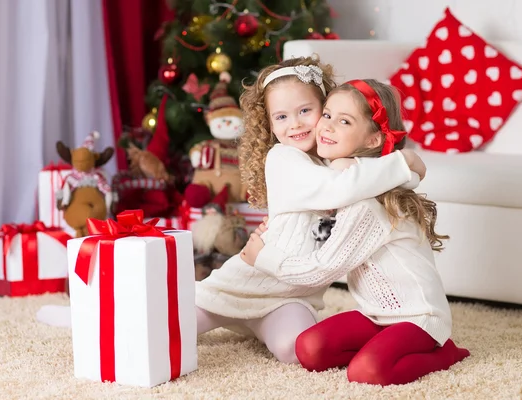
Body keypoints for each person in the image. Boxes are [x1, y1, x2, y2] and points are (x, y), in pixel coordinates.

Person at [194, 58, 427, 365]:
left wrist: (401, 176)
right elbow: (339, 189)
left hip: (292, 295)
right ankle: (197, 303)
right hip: (242, 286)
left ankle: (258, 327)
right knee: (169, 326)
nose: (296, 124)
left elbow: (371, 184)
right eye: (281, 117)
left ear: (325, 107)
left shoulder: (334, 162)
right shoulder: (283, 158)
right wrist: (404, 162)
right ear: (270, 124)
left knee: (296, 350)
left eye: (306, 111)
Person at [240, 79, 470, 384]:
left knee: (366, 372)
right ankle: (382, 346)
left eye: (344, 121)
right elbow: (318, 227)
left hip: (419, 317)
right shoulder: (347, 182)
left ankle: (445, 353)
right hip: (375, 315)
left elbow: (320, 270)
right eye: (327, 115)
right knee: (309, 348)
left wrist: (264, 256)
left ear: (374, 140)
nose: (328, 126)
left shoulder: (366, 202)